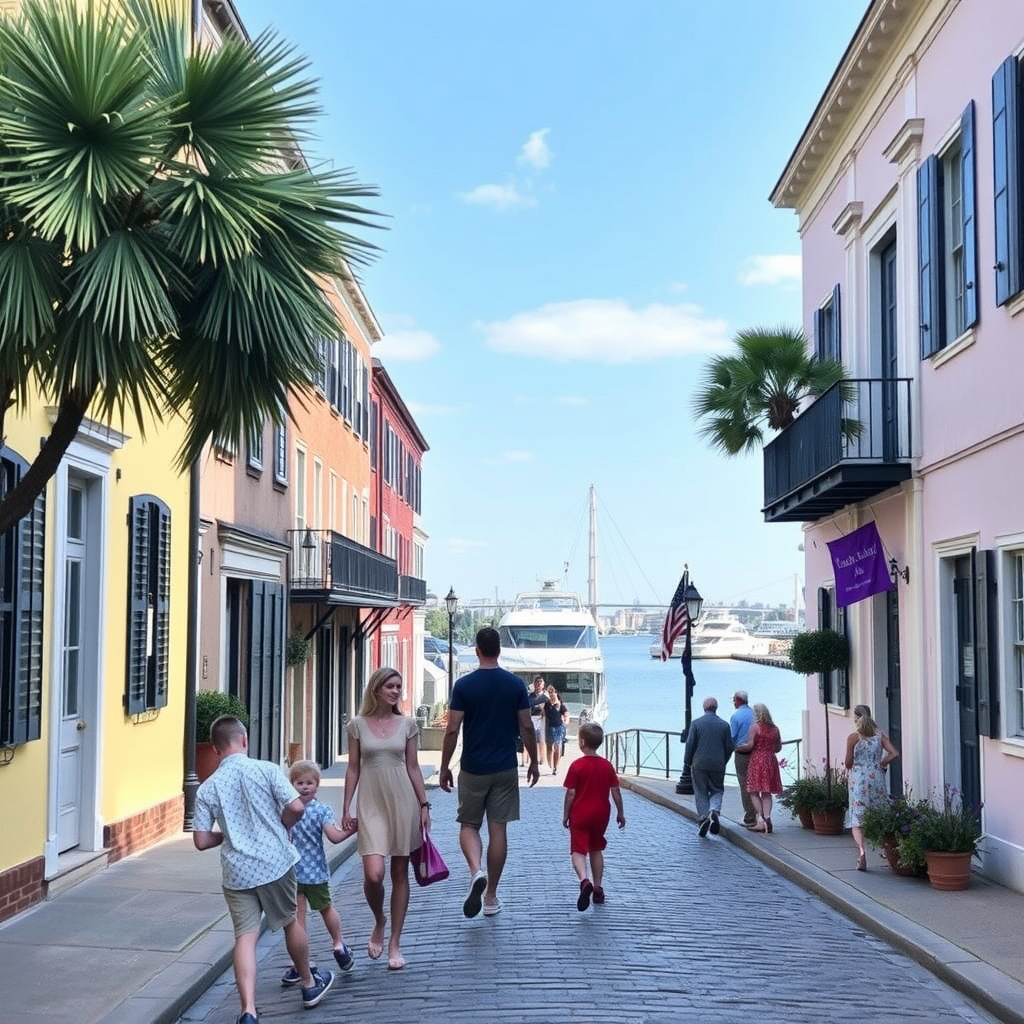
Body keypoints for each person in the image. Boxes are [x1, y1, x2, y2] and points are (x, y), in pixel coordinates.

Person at [193, 716, 334, 1024]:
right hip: (274, 864)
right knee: (289, 922)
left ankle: (248, 1011)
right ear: (244, 740)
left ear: (216, 750)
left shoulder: (207, 788)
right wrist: (283, 826)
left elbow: (201, 840)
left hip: (236, 872)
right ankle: (309, 984)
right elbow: (296, 807)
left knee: (244, 936)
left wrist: (227, 835)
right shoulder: (267, 770)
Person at [439, 626, 539, 918]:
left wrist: (445, 766)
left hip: (473, 767)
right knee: (499, 830)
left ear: (477, 650)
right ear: (499, 649)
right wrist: (533, 760)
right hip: (505, 766)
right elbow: (527, 726)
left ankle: (475, 871)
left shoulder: (464, 686)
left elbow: (452, 729)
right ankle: (492, 896)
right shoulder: (515, 685)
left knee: (469, 825)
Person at [342, 668, 431, 971]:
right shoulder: (356, 725)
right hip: (371, 803)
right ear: (376, 689)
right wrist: (346, 807)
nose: (396, 691)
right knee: (373, 874)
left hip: (403, 800)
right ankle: (379, 919)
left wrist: (424, 805)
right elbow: (353, 768)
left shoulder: (407, 725)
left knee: (399, 873)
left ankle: (395, 941)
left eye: (399, 686)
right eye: (390, 686)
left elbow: (414, 767)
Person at [279, 760, 358, 987]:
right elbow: (334, 837)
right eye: (299, 783)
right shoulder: (321, 810)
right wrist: (353, 830)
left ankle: (300, 964)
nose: (304, 787)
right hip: (315, 873)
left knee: (298, 919)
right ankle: (339, 945)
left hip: (293, 872)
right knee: (325, 908)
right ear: (292, 785)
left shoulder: (287, 811)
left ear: (316, 785)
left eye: (308, 782)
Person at [562, 723, 626, 911]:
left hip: (580, 813)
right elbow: (615, 791)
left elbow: (571, 793)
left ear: (581, 742)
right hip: (601, 814)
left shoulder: (577, 766)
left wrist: (566, 814)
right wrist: (620, 813)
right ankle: (598, 889)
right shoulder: (607, 765)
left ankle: (584, 880)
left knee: (578, 850)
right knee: (596, 848)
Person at [844, 704, 900, 870]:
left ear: (856, 717)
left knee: (857, 819)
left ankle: (862, 852)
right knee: (879, 812)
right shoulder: (879, 735)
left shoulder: (854, 737)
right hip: (876, 777)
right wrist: (881, 763)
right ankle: (886, 849)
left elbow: (848, 763)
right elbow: (894, 753)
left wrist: (855, 764)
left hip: (858, 780)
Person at [682, 697, 734, 838]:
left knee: (700, 791)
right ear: (715, 708)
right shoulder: (724, 725)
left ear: (704, 708)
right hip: (718, 764)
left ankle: (704, 818)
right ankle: (714, 811)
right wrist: (723, 760)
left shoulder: (696, 723)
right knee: (717, 790)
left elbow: (690, 744)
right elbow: (729, 746)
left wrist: (688, 761)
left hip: (699, 763)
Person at [736, 703, 783, 833]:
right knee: (767, 792)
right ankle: (768, 818)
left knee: (754, 791)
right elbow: (778, 748)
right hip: (771, 760)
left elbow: (750, 745)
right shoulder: (775, 729)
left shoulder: (755, 727)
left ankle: (761, 820)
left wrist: (738, 747)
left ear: (757, 714)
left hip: (757, 760)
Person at [730, 691, 757, 828]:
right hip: (757, 753)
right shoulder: (755, 714)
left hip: (742, 754)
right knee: (756, 783)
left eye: (734, 700)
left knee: (745, 784)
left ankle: (750, 817)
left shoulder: (735, 716)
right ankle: (760, 814)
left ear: (739, 700)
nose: (733, 702)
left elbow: (733, 738)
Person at [543, 685, 569, 775]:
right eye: (549, 692)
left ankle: (555, 768)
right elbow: (544, 715)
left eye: (552, 692)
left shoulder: (560, 704)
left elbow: (566, 714)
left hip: (559, 727)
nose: (551, 693)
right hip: (550, 728)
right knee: (550, 747)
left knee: (557, 748)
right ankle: (550, 765)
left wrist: (566, 721)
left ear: (556, 693)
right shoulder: (547, 704)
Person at [528, 676, 549, 768]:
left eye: (541, 681)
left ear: (543, 684)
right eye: (537, 681)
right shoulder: (530, 696)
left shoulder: (547, 696)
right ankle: (534, 759)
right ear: (534, 684)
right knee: (532, 740)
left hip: (542, 719)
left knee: (542, 739)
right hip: (532, 718)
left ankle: (542, 759)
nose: (539, 683)